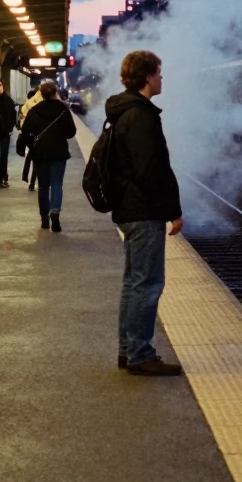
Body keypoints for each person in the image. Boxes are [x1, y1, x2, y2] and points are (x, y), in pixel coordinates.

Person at [105, 50, 184, 376]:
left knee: (134, 282)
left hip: (132, 207)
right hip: (143, 210)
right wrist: (172, 211)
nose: (161, 79)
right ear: (147, 77)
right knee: (148, 283)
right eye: (159, 73)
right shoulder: (140, 116)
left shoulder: (126, 110)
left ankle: (129, 349)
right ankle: (139, 353)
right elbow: (150, 170)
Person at [18, 81, 77, 231]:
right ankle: (55, 210)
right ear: (55, 93)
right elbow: (71, 132)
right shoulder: (63, 109)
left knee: (43, 187)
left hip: (40, 153)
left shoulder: (34, 110)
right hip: (59, 152)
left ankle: (44, 219)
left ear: (42, 94)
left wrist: (26, 146)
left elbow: (25, 132)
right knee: (57, 183)